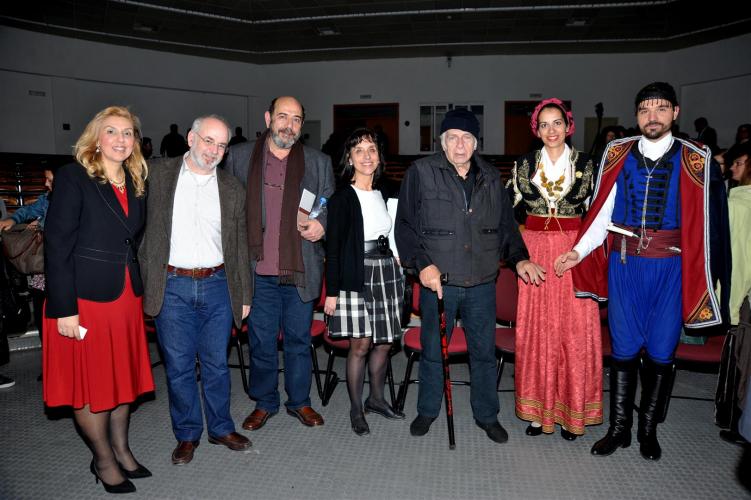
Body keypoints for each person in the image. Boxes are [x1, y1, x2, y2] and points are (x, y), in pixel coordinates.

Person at [555, 82, 730, 461]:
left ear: (675, 113)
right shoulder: (617, 152)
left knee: (662, 350)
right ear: (637, 115)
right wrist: (578, 251)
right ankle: (619, 429)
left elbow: (711, 224)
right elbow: (602, 211)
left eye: (661, 109)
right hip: (625, 266)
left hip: (671, 269)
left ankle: (647, 430)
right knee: (622, 347)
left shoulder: (696, 158)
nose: (652, 116)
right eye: (645, 110)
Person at [396, 108, 545, 443]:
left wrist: (520, 259)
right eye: (452, 138)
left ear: (476, 143)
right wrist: (422, 264)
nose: (460, 145)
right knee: (433, 350)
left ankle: (487, 415)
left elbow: (506, 227)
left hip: (481, 282)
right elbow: (404, 227)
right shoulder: (421, 172)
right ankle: (428, 410)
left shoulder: (491, 176)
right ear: (442, 142)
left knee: (483, 352)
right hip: (439, 281)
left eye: (466, 138)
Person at [43, 106, 154, 493]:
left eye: (128, 133)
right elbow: (57, 245)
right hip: (84, 299)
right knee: (92, 385)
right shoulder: (74, 177)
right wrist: (65, 308)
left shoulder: (136, 180)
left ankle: (122, 450)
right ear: (96, 137)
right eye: (112, 131)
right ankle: (103, 461)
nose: (121, 140)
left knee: (122, 380)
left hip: (124, 297)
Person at [140, 115, 252, 465]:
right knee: (179, 366)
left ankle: (220, 428)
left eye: (222, 145)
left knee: (217, 364)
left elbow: (240, 246)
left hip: (218, 285)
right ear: (191, 138)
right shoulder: (157, 175)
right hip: (172, 285)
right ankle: (187, 434)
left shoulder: (232, 187)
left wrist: (245, 295)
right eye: (208, 141)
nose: (214, 150)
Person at [224, 96, 334, 431]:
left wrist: (322, 224)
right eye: (283, 116)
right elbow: (227, 209)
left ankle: (299, 402)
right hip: (257, 270)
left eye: (296, 119)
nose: (289, 125)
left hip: (299, 268)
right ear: (268, 118)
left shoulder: (318, 162)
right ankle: (264, 402)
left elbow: (329, 202)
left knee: (299, 341)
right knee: (261, 342)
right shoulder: (239, 157)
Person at [508, 98, 602, 440]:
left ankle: (571, 413)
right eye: (544, 124)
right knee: (537, 330)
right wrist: (519, 253)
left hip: (573, 254)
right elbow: (506, 216)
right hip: (534, 253)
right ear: (536, 129)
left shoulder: (588, 165)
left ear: (568, 126)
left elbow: (599, 217)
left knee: (574, 333)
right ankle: (538, 412)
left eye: (557, 123)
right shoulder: (523, 165)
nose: (551, 130)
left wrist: (579, 250)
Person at [324, 128, 404, 436]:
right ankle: (356, 408)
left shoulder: (387, 192)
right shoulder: (342, 198)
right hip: (357, 274)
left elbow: (395, 232)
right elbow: (332, 249)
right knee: (360, 345)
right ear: (349, 158)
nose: (366, 156)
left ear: (379, 157)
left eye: (372, 149)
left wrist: (399, 258)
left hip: (387, 272)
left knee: (384, 342)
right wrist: (332, 292)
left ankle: (376, 399)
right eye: (359, 150)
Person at [0, 168, 55, 381]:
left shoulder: (76, 198)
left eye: (49, 179)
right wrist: (13, 220)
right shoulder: (47, 198)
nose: (46, 184)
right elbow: (29, 210)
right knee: (43, 320)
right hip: (42, 273)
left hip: (66, 273)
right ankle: (50, 365)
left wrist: (41, 223)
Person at [717, 142, 751, 445]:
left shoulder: (738, 204)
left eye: (738, 163)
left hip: (745, 295)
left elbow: (736, 261)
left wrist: (728, 304)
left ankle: (740, 423)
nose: (731, 168)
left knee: (743, 360)